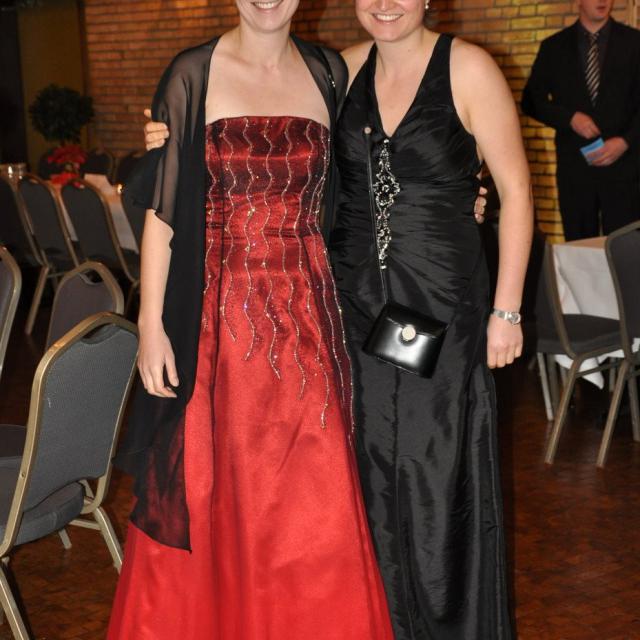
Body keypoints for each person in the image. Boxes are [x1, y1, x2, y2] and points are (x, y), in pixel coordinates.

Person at [143, 1, 532, 637]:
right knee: (367, 473)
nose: (386, 3)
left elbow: (514, 190)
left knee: (436, 475)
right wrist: (167, 137)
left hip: (442, 307)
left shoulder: (466, 68)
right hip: (352, 311)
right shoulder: (340, 72)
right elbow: (290, 167)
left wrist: (506, 309)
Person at [108, 1, 394, 638]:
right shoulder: (192, 73)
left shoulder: (328, 73)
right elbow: (163, 214)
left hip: (309, 320)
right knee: (221, 487)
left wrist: (463, 197)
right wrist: (151, 325)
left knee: (313, 490)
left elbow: (364, 177)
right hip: (218, 322)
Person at [522, 0, 640, 240]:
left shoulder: (635, 42)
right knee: (579, 248)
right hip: (575, 171)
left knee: (626, 249)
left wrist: (625, 141)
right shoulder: (553, 47)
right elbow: (531, 101)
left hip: (627, 170)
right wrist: (569, 118)